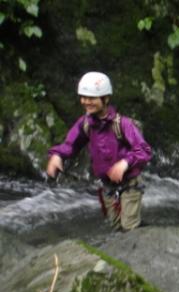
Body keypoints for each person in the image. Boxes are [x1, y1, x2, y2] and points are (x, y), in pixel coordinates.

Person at [46, 71, 151, 231]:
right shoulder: (86, 124)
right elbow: (71, 143)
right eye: (83, 97)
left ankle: (143, 236)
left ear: (106, 98)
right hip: (108, 185)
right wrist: (58, 155)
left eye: (91, 98)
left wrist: (125, 163)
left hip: (130, 183)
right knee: (115, 227)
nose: (86, 102)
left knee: (128, 226)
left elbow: (144, 150)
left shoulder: (123, 124)